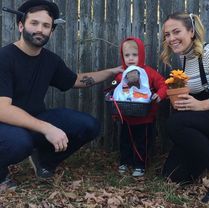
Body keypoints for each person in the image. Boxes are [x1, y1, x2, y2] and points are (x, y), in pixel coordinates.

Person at [0, 0, 123, 192]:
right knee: (19, 142)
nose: (40, 29)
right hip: (4, 124)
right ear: (21, 25)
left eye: (46, 25)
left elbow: (76, 80)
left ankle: (44, 162)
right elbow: (2, 109)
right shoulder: (4, 58)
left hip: (34, 119)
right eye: (34, 23)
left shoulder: (50, 60)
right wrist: (47, 128)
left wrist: (112, 71)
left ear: (52, 31)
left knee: (88, 125)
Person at [160, 12, 209, 203]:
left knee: (175, 123)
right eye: (167, 35)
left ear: (192, 31)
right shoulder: (185, 59)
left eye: (176, 32)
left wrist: (202, 104)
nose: (171, 38)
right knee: (174, 175)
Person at [114, 37, 167, 177]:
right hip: (126, 114)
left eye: (135, 55)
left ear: (142, 55)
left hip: (145, 116)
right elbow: (118, 88)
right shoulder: (122, 74)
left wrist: (159, 95)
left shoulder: (149, 72)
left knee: (142, 142)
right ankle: (124, 162)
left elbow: (163, 84)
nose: (131, 58)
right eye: (127, 55)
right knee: (125, 140)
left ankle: (140, 164)